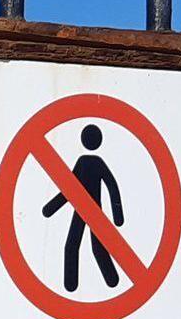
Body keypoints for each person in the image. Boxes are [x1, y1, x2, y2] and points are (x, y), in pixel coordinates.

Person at [41, 124, 125, 292]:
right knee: (92, 247)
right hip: (91, 212)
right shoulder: (95, 162)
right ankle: (108, 280)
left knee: (75, 245)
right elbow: (111, 186)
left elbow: (69, 188)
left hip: (85, 211)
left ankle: (104, 281)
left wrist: (50, 208)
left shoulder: (84, 162)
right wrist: (118, 216)